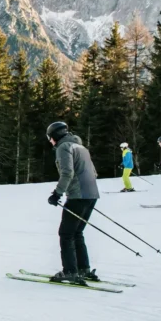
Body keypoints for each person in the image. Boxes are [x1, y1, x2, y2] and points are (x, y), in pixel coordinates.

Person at [46, 122, 100, 285]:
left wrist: (57, 193)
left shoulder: (63, 148)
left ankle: (70, 271)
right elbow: (94, 172)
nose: (51, 142)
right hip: (91, 194)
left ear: (54, 136)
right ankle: (83, 268)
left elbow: (67, 172)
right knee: (77, 233)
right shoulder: (80, 147)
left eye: (50, 138)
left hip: (78, 195)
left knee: (66, 234)